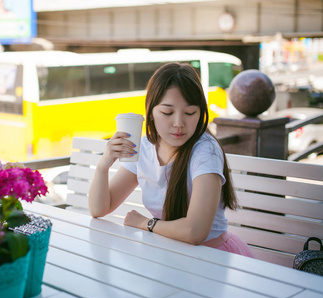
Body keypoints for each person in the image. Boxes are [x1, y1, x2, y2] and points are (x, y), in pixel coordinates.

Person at [88, 62, 254, 257]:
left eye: (190, 113)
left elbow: (195, 232)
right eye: (167, 112)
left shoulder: (205, 151)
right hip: (168, 253)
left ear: (200, 112)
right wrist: (103, 165)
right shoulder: (144, 148)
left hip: (211, 256)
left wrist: (145, 223)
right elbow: (99, 209)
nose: (179, 123)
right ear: (150, 113)